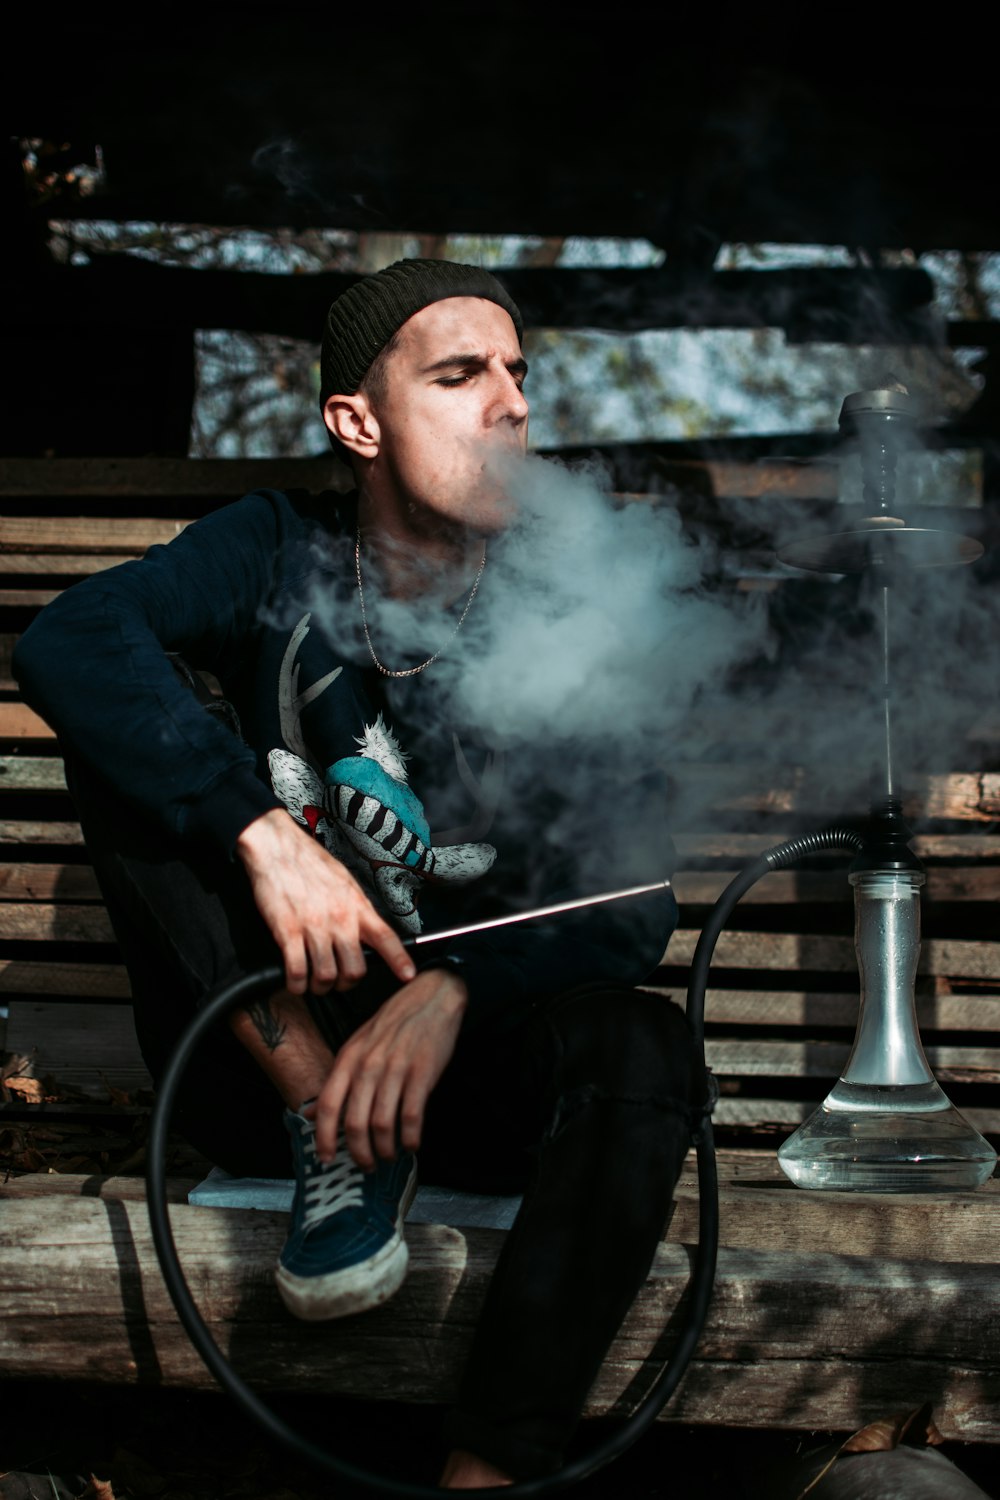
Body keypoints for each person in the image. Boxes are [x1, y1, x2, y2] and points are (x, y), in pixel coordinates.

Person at [14, 259, 703, 1489]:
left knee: (643, 1050)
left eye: (518, 374)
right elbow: (72, 637)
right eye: (459, 374)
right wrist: (260, 834)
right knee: (132, 745)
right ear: (357, 420)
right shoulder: (276, 547)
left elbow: (631, 900)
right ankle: (336, 1135)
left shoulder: (569, 595)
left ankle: (490, 1467)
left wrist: (455, 994)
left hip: (473, 1085)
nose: (510, 406)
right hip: (269, 1057)